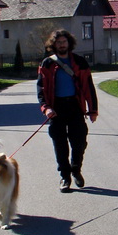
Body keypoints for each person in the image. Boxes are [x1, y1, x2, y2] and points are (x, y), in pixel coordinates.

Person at [37, 29, 98, 192]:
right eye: (58, 42)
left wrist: (92, 110)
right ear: (54, 44)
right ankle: (65, 176)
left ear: (69, 43)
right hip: (56, 108)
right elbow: (41, 89)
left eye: (64, 42)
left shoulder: (79, 62)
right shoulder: (47, 63)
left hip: (75, 106)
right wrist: (46, 108)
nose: (62, 44)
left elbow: (88, 87)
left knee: (79, 142)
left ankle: (76, 169)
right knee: (60, 144)